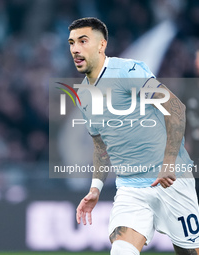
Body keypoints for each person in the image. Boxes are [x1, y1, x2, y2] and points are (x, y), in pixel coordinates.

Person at [69, 17, 199, 254]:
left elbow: (175, 109)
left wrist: (169, 162)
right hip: (131, 188)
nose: (75, 49)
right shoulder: (84, 96)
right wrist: (96, 187)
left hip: (172, 179)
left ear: (101, 45)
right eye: (71, 43)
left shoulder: (128, 71)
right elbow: (100, 145)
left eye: (83, 41)